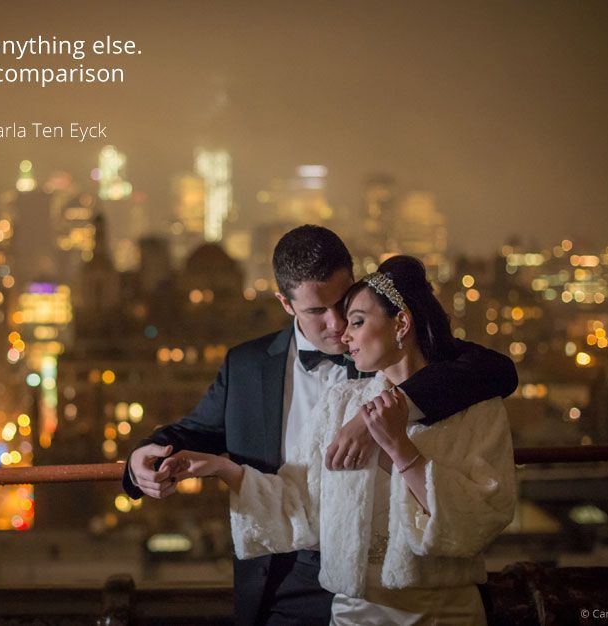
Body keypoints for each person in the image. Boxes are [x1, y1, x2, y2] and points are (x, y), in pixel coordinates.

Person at [123, 226, 517, 626]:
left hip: (419, 590)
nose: (336, 324)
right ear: (285, 302)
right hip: (288, 575)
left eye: (344, 305)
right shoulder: (246, 365)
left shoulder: (397, 354)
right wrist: (141, 456)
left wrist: (384, 414)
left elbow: (495, 371)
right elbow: (194, 433)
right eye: (316, 311)